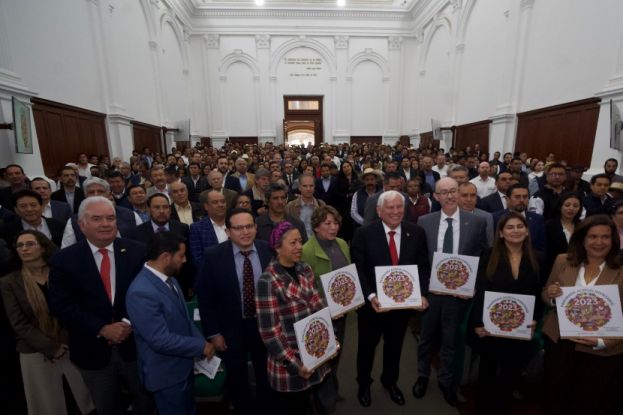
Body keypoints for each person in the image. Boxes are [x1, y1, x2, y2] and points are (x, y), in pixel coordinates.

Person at [49, 196, 153, 415]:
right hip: (91, 350)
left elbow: (149, 296)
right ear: (82, 225)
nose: (106, 224)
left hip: (135, 346)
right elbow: (62, 305)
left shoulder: (137, 251)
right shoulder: (63, 260)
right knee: (106, 406)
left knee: (146, 401)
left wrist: (127, 324)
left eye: (110, 218)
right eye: (97, 219)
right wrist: (102, 328)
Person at [351, 190, 431, 408]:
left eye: (399, 207)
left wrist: (422, 293)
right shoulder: (364, 233)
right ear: (379, 210)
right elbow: (358, 269)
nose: (396, 212)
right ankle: (364, 384)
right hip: (372, 307)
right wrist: (370, 296)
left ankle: (390, 382)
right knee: (367, 348)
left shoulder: (416, 233)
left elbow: (423, 266)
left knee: (394, 348)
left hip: (402, 307)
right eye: (390, 207)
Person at [1, 230, 94, 415]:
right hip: (35, 351)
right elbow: (18, 323)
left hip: (71, 346)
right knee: (49, 405)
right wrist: (51, 347)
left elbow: (75, 307)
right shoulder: (9, 282)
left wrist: (65, 342)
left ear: (43, 247)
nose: (24, 249)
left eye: (29, 244)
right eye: (20, 245)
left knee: (83, 402)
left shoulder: (61, 272)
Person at [414, 177, 488, 406]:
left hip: (459, 295)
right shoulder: (424, 221)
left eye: (453, 191)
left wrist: (471, 287)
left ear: (459, 192)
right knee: (425, 338)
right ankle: (422, 376)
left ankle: (446, 381)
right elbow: (419, 259)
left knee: (450, 340)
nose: (449, 196)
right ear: (435, 196)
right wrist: (421, 291)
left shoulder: (476, 222)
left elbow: (480, 256)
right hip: (431, 294)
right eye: (443, 192)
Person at [542, 215, 623, 415]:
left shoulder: (621, 271)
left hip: (601, 349)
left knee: (586, 401)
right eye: (593, 236)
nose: (599, 242)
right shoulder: (562, 260)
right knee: (554, 397)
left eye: (605, 237)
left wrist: (604, 341)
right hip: (560, 342)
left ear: (613, 240)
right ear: (582, 239)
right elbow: (546, 292)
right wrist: (551, 295)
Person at [126, 232, 214, 415]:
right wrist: (200, 346)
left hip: (183, 369)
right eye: (181, 255)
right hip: (166, 377)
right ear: (166, 257)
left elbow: (184, 319)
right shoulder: (141, 292)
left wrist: (201, 344)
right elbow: (160, 339)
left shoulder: (171, 279)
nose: (184, 260)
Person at [197, 208, 273, 415]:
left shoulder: (268, 250)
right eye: (238, 228)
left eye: (249, 226)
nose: (245, 232)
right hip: (230, 329)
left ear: (256, 228)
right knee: (238, 378)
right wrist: (214, 333)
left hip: (264, 326)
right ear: (228, 231)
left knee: (266, 374)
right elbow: (206, 299)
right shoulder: (213, 256)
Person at [470, 213, 543, 414]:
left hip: (520, 326)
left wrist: (535, 318)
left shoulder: (538, 257)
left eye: (520, 226)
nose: (516, 231)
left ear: (527, 230)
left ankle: (502, 406)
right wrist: (478, 323)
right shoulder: (488, 254)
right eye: (510, 227)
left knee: (511, 372)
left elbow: (538, 293)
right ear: (501, 233)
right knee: (488, 371)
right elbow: (481, 291)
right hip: (490, 325)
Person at [256, 221, 331, 415]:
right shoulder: (268, 280)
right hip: (289, 362)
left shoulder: (304, 268)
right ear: (277, 247)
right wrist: (295, 365)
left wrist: (329, 336)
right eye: (293, 243)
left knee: (313, 400)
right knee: (294, 407)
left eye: (300, 241)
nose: (299, 247)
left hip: (314, 350)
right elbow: (270, 334)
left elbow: (316, 303)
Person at [301, 205, 351, 403]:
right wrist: (324, 307)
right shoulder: (306, 251)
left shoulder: (342, 244)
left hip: (342, 312)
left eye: (335, 223)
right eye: (327, 223)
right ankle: (321, 399)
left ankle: (332, 390)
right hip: (319, 315)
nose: (333, 227)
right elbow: (306, 289)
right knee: (321, 356)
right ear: (316, 226)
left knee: (336, 353)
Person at [545, 192, 583, 276]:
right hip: (554, 269)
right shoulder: (549, 225)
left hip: (579, 269)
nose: (571, 208)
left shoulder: (583, 226)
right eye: (567, 205)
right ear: (560, 206)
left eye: (575, 206)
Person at [189, 190, 228, 266]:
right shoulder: (197, 228)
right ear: (206, 206)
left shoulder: (233, 223)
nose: (220, 205)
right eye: (215, 202)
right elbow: (197, 259)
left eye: (223, 201)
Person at [285, 173, 325, 238]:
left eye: (311, 186)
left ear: (314, 187)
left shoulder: (321, 205)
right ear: (299, 187)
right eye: (305, 186)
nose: (308, 189)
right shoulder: (290, 206)